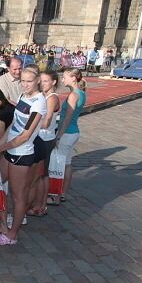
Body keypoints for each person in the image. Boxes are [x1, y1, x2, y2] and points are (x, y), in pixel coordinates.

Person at [0, 68, 46, 245]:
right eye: (23, 81)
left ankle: (12, 234)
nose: (25, 85)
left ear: (37, 81)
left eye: (29, 81)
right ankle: (3, 225)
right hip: (9, 150)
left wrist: (1, 148)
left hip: (22, 154)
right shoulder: (22, 96)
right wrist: (0, 145)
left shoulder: (39, 103)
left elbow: (25, 135)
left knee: (18, 196)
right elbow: (14, 124)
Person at [51, 68, 87, 205]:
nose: (62, 79)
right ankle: (63, 193)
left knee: (59, 165)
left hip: (67, 133)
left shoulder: (73, 95)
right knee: (67, 163)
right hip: (73, 132)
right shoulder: (81, 93)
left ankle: (56, 195)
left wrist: (58, 136)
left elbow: (67, 118)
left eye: (65, 77)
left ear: (73, 78)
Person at [28, 69, 60, 216]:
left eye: (46, 81)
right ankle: (39, 204)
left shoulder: (52, 98)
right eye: (41, 81)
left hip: (45, 138)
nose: (42, 84)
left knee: (42, 175)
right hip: (41, 137)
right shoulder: (44, 96)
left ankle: (40, 206)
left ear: (54, 82)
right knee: (41, 174)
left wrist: (29, 122)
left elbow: (46, 122)